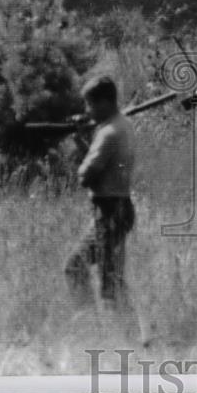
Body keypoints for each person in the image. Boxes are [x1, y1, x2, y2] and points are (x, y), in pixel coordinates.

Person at [64, 76, 138, 315]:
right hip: (119, 207)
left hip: (109, 211)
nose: (88, 111)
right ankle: (132, 330)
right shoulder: (122, 125)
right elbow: (103, 163)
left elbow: (87, 175)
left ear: (105, 102)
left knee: (78, 268)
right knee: (111, 278)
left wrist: (79, 161)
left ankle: (89, 322)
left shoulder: (107, 133)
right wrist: (83, 139)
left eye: (90, 105)